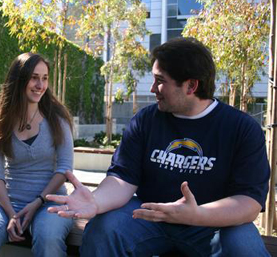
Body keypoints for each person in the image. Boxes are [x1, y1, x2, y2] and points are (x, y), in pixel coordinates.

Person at [47, 37, 270, 256]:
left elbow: (248, 202)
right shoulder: (146, 120)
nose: (153, 88)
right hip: (149, 216)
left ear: (191, 86)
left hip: (212, 224)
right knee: (103, 229)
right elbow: (123, 179)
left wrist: (197, 215)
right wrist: (96, 201)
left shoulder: (242, 128)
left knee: (245, 246)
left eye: (160, 80)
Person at [0, 52, 74, 257]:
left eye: (44, 78)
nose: (40, 85)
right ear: (19, 79)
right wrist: (11, 214)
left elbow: (65, 168)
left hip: (50, 202)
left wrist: (37, 202)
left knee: (48, 239)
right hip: (11, 202)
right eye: (34, 77)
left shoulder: (58, 121)